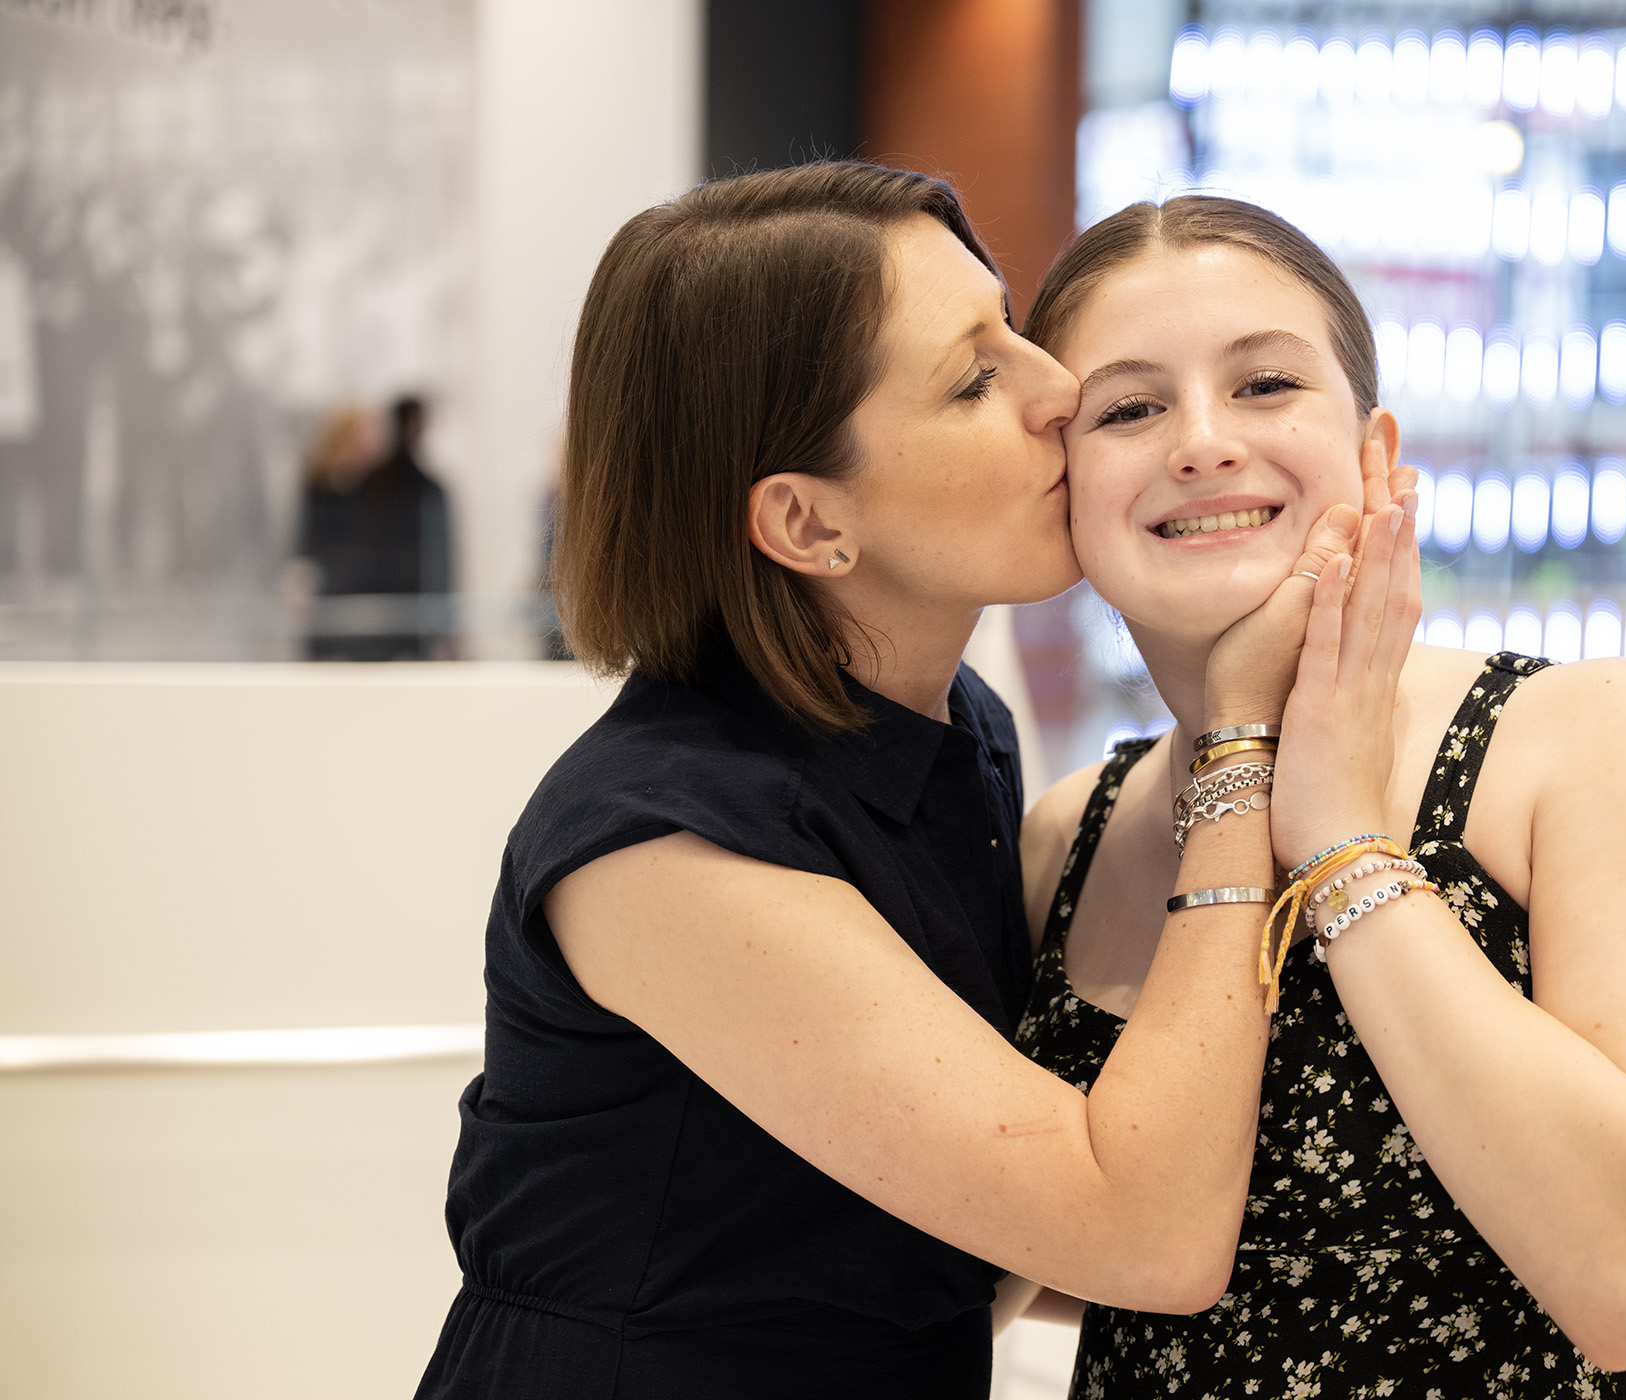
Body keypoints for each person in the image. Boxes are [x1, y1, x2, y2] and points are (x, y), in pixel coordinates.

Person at [414, 162, 1411, 1399]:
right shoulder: (667, 844)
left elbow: (968, 1233)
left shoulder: (954, 731)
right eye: (976, 378)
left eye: (1012, 325)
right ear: (808, 524)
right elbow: (1140, 1232)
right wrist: (1241, 734)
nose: (1060, 390)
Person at [1005, 196, 1626, 1398]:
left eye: (1264, 385)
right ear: (1061, 486)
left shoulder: (1587, 736)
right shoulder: (1063, 834)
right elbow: (1022, 1257)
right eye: (1130, 408)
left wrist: (1343, 840)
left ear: (1374, 448)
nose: (1202, 442)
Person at [297, 394, 455, 660]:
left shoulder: (400, 488)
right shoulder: (323, 492)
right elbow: (311, 553)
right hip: (338, 619)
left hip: (385, 621)